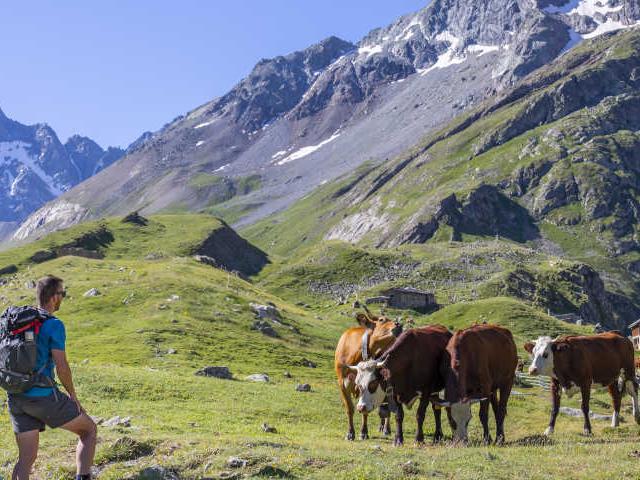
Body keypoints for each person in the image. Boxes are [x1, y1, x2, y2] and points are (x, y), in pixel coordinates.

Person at [7, 275, 97, 480]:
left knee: (26, 458)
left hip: (16, 397)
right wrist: (73, 395)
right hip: (43, 396)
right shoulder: (53, 324)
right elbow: (62, 366)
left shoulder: (19, 321)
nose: (63, 297)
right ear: (54, 297)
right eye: (62, 293)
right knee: (89, 430)